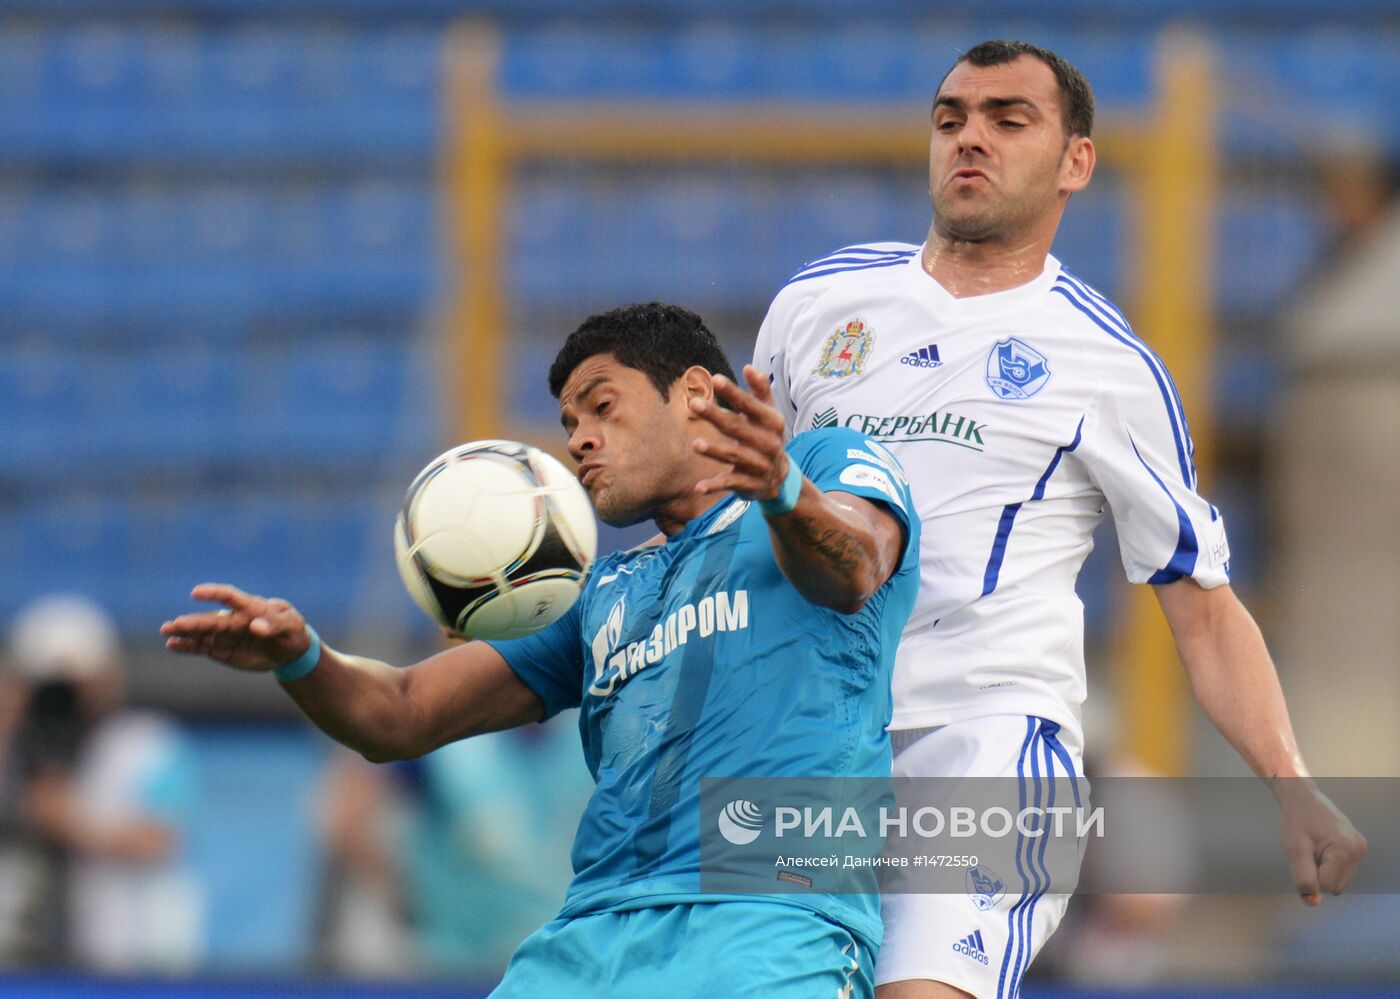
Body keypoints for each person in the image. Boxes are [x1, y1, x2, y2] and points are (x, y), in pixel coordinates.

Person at [752, 40, 1366, 999]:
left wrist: (1293, 787)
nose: (970, 140)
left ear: (1076, 162)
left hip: (984, 744)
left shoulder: (1106, 363)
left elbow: (1202, 610)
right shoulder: (814, 306)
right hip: (810, 746)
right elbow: (760, 517)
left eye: (1008, 119)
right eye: (951, 117)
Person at [163, 302, 922, 997]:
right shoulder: (600, 592)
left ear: (695, 392)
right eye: (568, 423)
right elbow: (399, 713)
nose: (579, 439)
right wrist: (301, 656)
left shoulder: (820, 465)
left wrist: (784, 490)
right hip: (589, 937)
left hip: (765, 916)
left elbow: (854, 568)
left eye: (602, 406)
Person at [3, 594, 202, 973]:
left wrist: (69, 822)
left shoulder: (151, 745)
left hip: (134, 952)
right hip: (29, 957)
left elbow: (163, 838)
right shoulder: (15, 750)